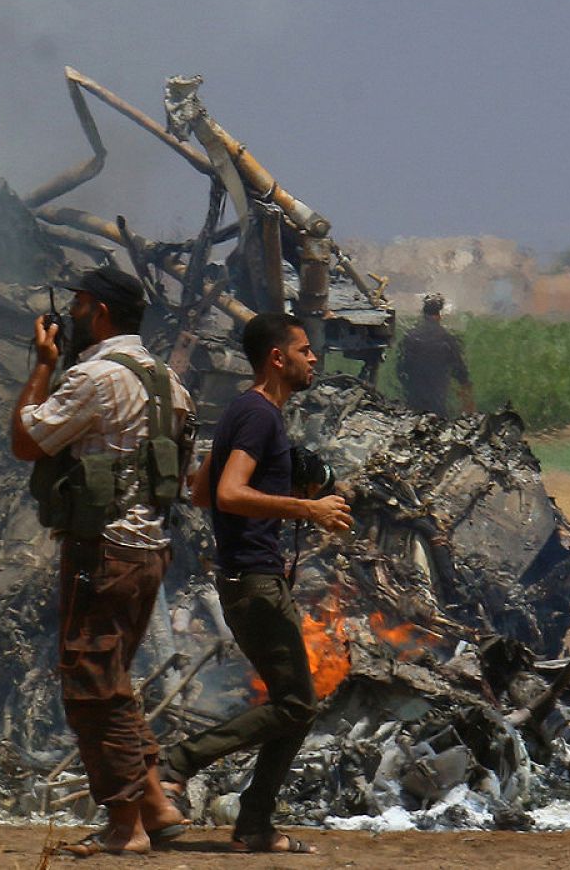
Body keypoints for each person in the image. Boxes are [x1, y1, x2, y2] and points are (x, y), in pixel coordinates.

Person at [10, 265, 195, 857]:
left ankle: (125, 826)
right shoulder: (170, 382)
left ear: (105, 313)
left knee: (89, 684)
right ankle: (157, 808)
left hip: (103, 551)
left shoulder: (94, 379)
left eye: (82, 303)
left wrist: (43, 364)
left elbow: (27, 439)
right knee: (111, 679)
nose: (74, 313)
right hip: (149, 553)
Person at [158, 312, 352, 855]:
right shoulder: (261, 417)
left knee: (297, 702)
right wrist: (306, 508)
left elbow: (199, 490)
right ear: (278, 357)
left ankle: (255, 825)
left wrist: (279, 480)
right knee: (295, 706)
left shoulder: (243, 413)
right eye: (305, 350)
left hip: (247, 579)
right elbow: (228, 495)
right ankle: (180, 761)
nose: (314, 359)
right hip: (256, 582)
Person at [396, 293, 476, 416]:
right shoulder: (447, 338)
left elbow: (401, 368)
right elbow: (460, 370)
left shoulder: (410, 336)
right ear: (439, 315)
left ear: (423, 314)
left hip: (414, 391)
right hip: (437, 392)